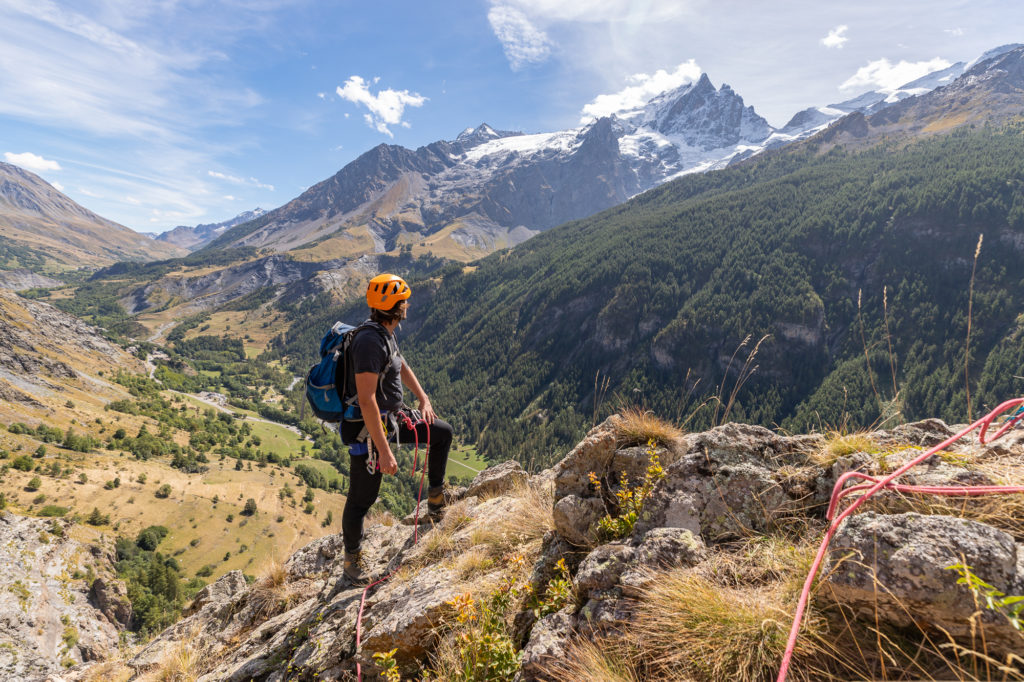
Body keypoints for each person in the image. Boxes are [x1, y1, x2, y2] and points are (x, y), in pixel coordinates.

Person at [340, 273, 453, 584]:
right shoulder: (368, 342)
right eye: (404, 300)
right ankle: (351, 560)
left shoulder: (384, 333)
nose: (408, 305)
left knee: (441, 433)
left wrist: (423, 397)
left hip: (392, 419)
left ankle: (435, 500)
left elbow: (400, 364)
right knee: (362, 498)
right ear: (394, 306)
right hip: (369, 431)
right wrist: (386, 451)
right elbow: (366, 400)